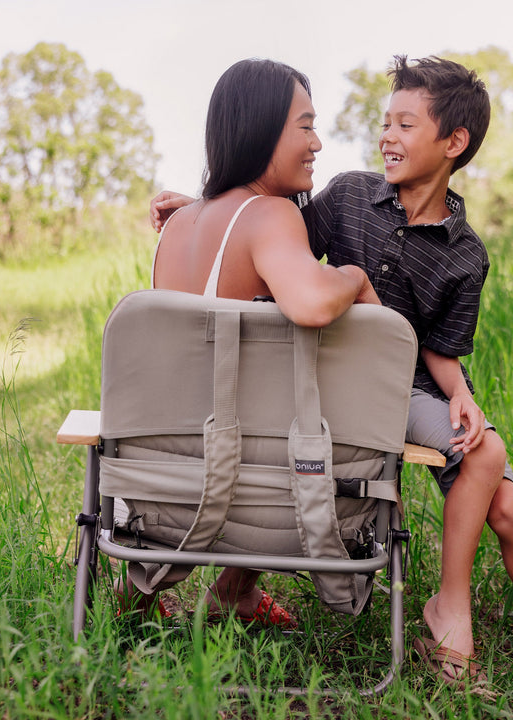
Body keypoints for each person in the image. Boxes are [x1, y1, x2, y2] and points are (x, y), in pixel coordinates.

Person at [150, 55, 513, 691]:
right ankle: (257, 592)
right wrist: (201, 206)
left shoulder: (467, 255)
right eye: (384, 122)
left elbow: (442, 350)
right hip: (333, 385)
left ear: (454, 143)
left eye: (404, 124)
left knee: (500, 484)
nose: (386, 135)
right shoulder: (351, 196)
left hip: (407, 388)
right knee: (487, 458)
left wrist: (462, 395)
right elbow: (264, 238)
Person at [122, 57, 379, 628]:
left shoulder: (179, 228)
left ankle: (150, 598)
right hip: (263, 493)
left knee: (248, 391)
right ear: (262, 128)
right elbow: (312, 304)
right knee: (293, 406)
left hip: (166, 487)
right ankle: (235, 589)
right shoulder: (271, 215)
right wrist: (354, 277)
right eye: (305, 125)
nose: (318, 141)